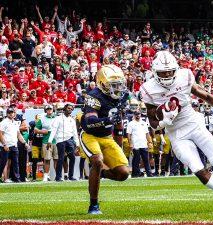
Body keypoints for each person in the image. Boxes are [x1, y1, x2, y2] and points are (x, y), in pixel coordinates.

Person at [140, 51, 213, 212]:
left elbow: (206, 95)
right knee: (197, 168)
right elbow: (153, 122)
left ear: (176, 69)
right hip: (176, 134)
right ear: (154, 71)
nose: (167, 75)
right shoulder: (148, 89)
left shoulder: (185, 75)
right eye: (163, 72)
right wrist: (163, 122)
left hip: (194, 124)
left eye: (170, 72)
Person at [79, 65, 130, 214]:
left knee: (123, 173)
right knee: (97, 160)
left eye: (119, 84)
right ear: (102, 84)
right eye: (113, 85)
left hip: (107, 137)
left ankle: (100, 173)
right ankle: (93, 205)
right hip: (90, 135)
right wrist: (107, 120)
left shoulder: (123, 96)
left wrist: (119, 143)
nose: (118, 88)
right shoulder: (94, 96)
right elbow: (89, 122)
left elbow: (119, 121)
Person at [47, 102, 79, 182]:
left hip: (70, 140)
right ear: (64, 109)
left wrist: (77, 143)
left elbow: (75, 132)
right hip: (60, 140)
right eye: (68, 108)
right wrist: (50, 141)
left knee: (72, 158)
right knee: (61, 158)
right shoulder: (58, 118)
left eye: (71, 109)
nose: (70, 110)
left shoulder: (72, 120)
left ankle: (71, 176)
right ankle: (58, 177)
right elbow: (53, 130)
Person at [0, 107, 30, 183]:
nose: (11, 114)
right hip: (6, 146)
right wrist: (4, 144)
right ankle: (3, 178)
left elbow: (18, 134)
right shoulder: (4, 122)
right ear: (7, 114)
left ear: (14, 113)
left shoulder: (16, 122)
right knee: (3, 163)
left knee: (15, 163)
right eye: (10, 113)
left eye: (12, 112)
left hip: (14, 145)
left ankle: (17, 178)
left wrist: (25, 143)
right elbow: (0, 134)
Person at [34, 104, 57, 182]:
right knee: (46, 159)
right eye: (47, 109)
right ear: (45, 110)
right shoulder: (42, 119)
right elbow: (35, 129)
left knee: (56, 159)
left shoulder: (57, 118)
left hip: (57, 141)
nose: (49, 110)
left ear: (53, 109)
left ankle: (58, 176)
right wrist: (42, 131)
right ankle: (46, 176)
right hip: (46, 141)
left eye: (50, 109)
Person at [127, 109, 153, 177]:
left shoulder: (144, 123)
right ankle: (135, 174)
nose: (137, 115)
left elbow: (147, 133)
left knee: (146, 160)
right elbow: (129, 135)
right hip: (136, 145)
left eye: (138, 114)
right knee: (136, 160)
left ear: (140, 115)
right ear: (134, 115)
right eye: (136, 114)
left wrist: (150, 142)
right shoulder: (131, 124)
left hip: (144, 144)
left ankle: (149, 174)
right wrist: (130, 144)